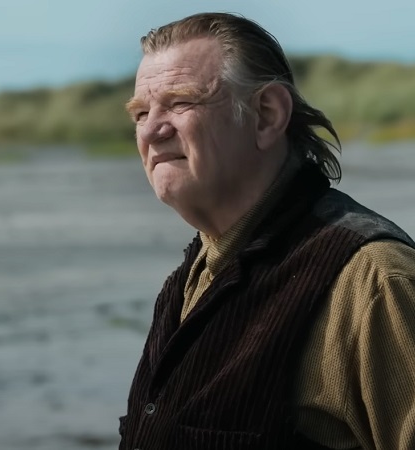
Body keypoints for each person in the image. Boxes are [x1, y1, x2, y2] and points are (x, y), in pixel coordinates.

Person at [119, 12, 415, 450]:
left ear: (267, 115)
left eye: (180, 103)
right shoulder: (193, 276)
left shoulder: (374, 282)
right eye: (141, 113)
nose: (151, 130)